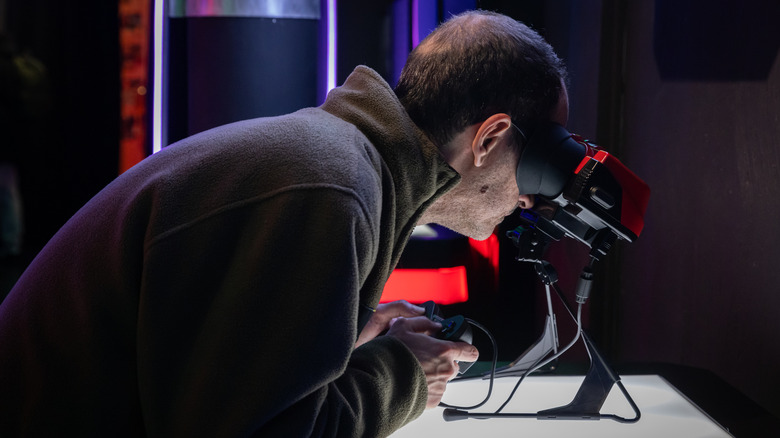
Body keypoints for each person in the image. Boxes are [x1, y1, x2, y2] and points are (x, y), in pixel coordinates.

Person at [0, 10, 568, 437]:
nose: (530, 200)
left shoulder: (336, 162)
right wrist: (403, 372)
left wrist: (336, 341)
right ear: (489, 138)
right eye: (540, 164)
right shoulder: (328, 185)